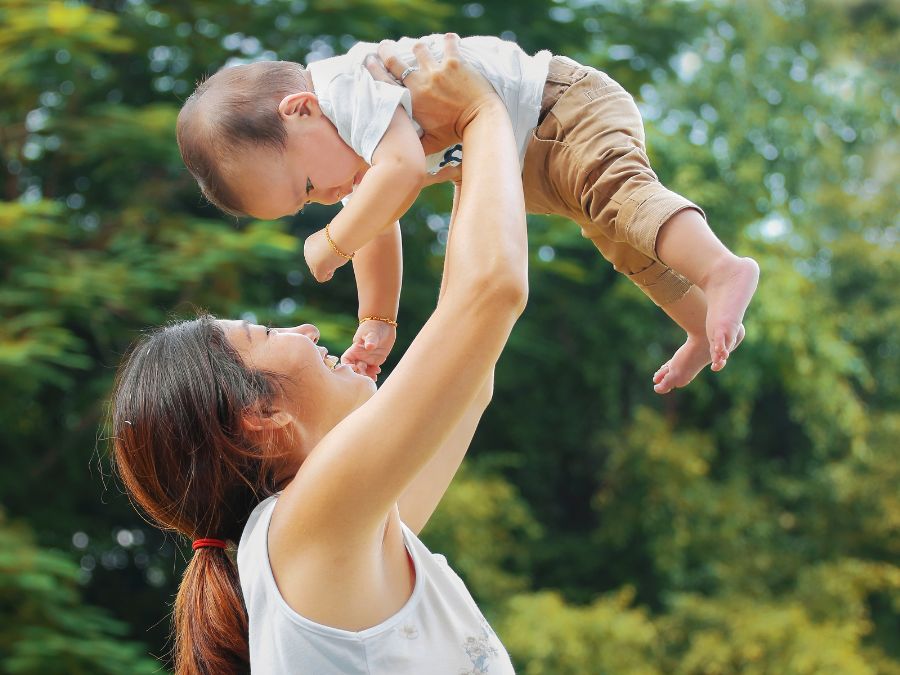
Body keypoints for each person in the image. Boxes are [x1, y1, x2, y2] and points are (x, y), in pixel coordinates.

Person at [111, 35, 525, 674]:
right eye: (270, 336)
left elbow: (470, 377)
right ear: (262, 417)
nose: (304, 330)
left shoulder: (342, 532)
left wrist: (460, 156)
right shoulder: (308, 532)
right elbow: (489, 297)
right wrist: (482, 112)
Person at [176, 34, 759, 396]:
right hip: (525, 154)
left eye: (306, 184)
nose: (326, 197)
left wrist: (332, 241)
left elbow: (402, 172)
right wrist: (377, 320)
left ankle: (723, 268)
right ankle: (696, 318)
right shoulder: (350, 154)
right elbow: (380, 216)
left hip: (559, 106)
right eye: (308, 204)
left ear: (300, 110)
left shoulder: (342, 90)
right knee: (623, 237)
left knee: (619, 197)